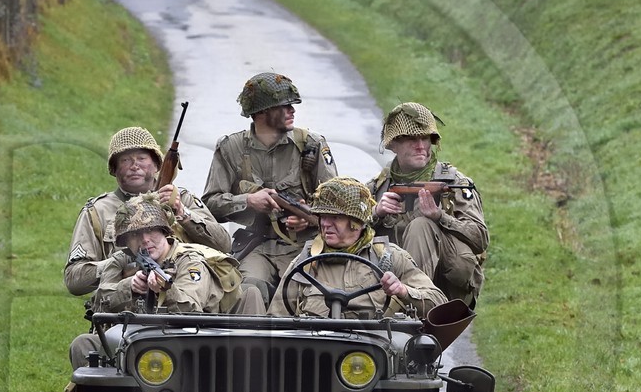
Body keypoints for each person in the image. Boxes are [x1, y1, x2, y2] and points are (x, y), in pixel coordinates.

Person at [70, 196, 263, 369]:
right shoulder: (121, 261)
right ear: (125, 241)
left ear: (164, 231)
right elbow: (99, 303)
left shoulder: (190, 261)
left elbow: (190, 309)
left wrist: (166, 291)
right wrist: (129, 287)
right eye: (135, 234)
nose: (145, 240)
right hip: (135, 343)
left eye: (151, 230)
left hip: (189, 346)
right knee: (83, 345)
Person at [202, 71, 338, 307]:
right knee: (247, 289)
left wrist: (310, 217)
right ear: (261, 112)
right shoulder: (230, 148)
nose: (292, 111)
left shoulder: (312, 145)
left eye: (292, 105)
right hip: (257, 244)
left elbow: (338, 204)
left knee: (311, 293)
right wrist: (248, 201)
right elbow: (209, 205)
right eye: (284, 106)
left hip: (304, 245)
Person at [64, 125, 231, 297]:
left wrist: (183, 214)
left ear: (157, 165)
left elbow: (224, 245)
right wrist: (122, 264)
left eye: (142, 158)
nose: (134, 166)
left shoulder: (182, 199)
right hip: (124, 309)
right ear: (114, 169)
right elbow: (74, 280)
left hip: (188, 300)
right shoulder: (97, 212)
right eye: (125, 160)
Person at [270, 177, 446, 319]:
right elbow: (276, 319)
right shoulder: (304, 264)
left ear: (357, 223)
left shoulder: (390, 257)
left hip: (375, 355)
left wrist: (403, 291)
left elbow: (439, 305)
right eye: (323, 217)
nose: (326, 224)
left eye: (336, 218)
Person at [367, 102, 488, 307]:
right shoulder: (376, 188)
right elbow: (344, 234)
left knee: (421, 225)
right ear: (393, 144)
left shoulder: (455, 184)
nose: (421, 146)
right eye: (412, 139)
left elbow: (481, 238)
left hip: (449, 286)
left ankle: (414, 304)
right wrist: (375, 213)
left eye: (425, 138)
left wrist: (440, 217)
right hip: (388, 285)